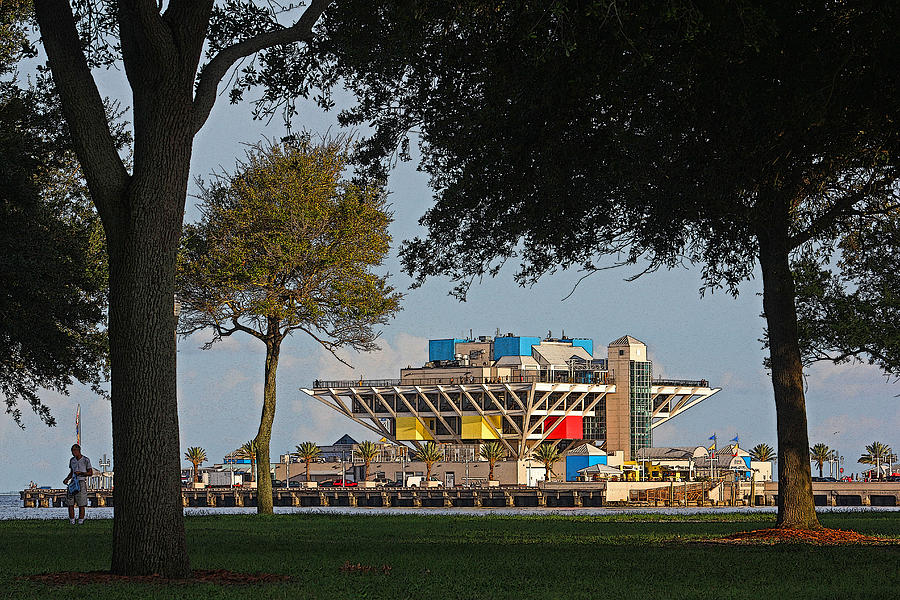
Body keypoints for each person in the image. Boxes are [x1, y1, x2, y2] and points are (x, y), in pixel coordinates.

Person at [63, 444, 94, 525]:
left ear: (78, 450)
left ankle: (81, 521)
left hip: (81, 482)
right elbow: (71, 472)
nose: (73, 453)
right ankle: (72, 521)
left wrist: (81, 473)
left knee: (81, 503)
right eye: (72, 451)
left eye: (74, 450)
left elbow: (90, 473)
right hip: (73, 483)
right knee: (70, 502)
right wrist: (67, 479)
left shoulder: (86, 460)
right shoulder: (72, 460)